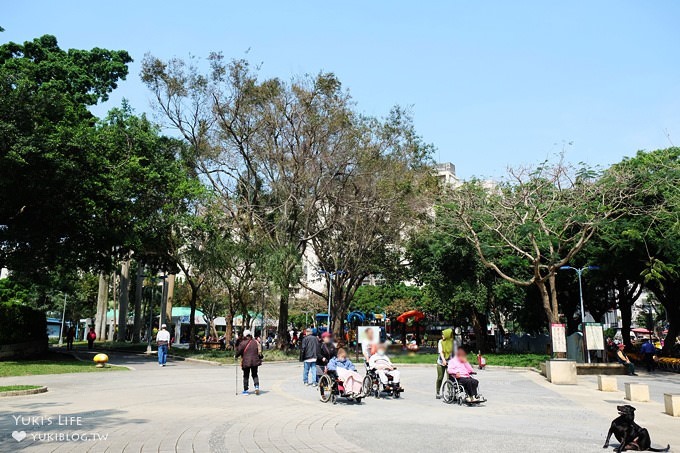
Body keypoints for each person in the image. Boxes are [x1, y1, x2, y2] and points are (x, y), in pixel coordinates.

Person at [235, 329, 262, 395]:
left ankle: (245, 390)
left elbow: (239, 351)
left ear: (245, 335)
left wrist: (236, 356)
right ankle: (256, 386)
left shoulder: (242, 343)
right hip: (255, 361)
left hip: (246, 362)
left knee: (246, 376)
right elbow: (260, 351)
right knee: (255, 374)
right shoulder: (255, 342)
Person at [436, 328, 453, 399]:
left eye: (443, 334)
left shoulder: (452, 342)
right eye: (442, 334)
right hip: (441, 362)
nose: (442, 335)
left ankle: (450, 393)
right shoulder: (440, 342)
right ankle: (437, 392)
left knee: (450, 378)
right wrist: (443, 360)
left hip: (450, 362)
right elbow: (441, 352)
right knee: (440, 377)